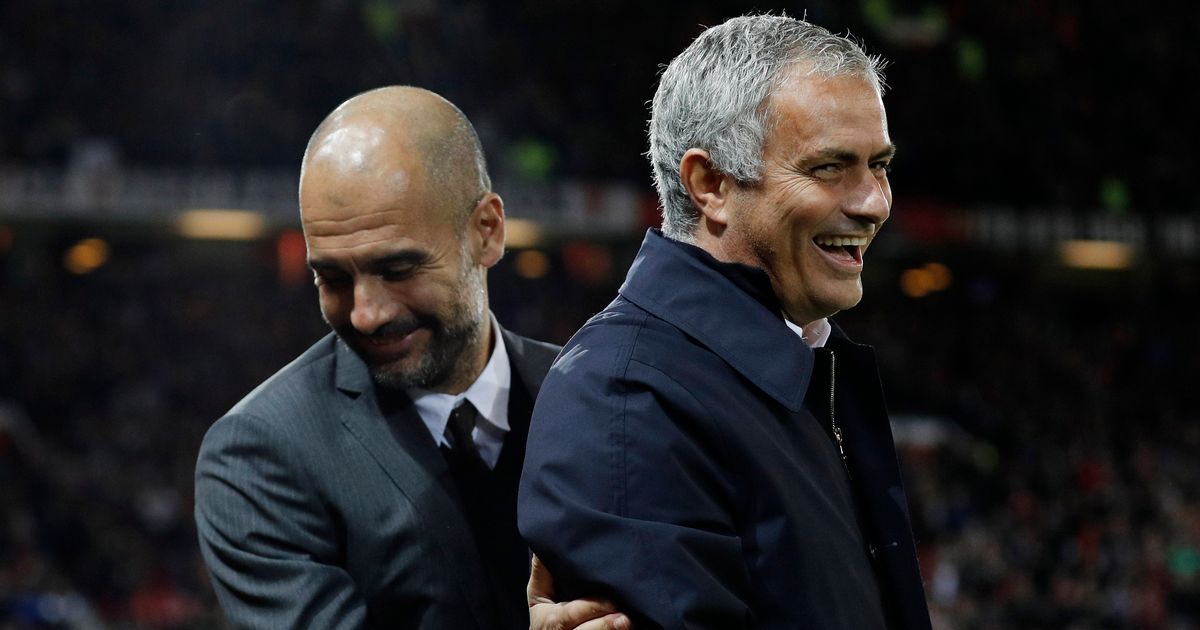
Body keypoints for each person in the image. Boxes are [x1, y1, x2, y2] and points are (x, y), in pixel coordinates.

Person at [519, 15, 932, 629]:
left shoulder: (801, 362)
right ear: (710, 184)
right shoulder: (627, 396)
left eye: (880, 165)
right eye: (829, 167)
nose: (873, 201)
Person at [195, 86, 628, 630]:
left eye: (398, 269)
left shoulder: (608, 404)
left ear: (487, 231)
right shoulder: (261, 455)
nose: (365, 314)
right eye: (332, 278)